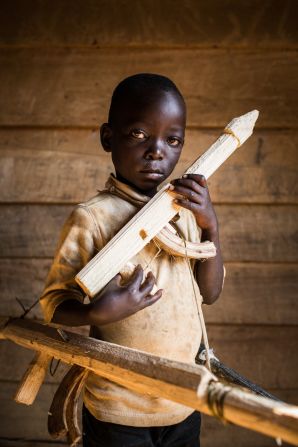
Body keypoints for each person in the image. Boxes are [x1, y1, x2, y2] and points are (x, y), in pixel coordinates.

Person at [40, 73, 224, 447]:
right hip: (117, 405)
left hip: (182, 401)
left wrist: (211, 228)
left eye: (173, 140)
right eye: (139, 134)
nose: (157, 151)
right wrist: (97, 313)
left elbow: (211, 293)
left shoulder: (187, 214)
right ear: (108, 137)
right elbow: (53, 307)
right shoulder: (92, 218)